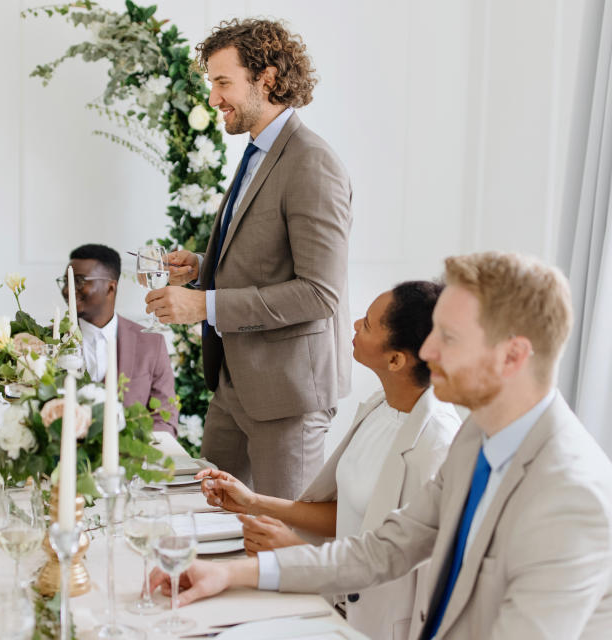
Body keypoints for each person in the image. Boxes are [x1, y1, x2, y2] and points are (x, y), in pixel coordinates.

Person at [152, 252, 612, 639]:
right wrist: (229, 574)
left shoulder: (571, 496)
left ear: (513, 356)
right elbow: (381, 549)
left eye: (447, 338)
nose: (427, 354)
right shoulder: (479, 437)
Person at [145, 19, 352, 499]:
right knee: (208, 518)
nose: (214, 98)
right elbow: (266, 255)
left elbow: (320, 293)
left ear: (268, 79)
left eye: (223, 83)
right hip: (232, 384)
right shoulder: (257, 151)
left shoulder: (311, 162)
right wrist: (202, 265)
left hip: (286, 395)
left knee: (279, 540)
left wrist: (204, 306)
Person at [198, 281, 460, 640]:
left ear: (396, 360)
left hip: (372, 625)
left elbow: (405, 566)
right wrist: (255, 501)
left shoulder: (437, 442)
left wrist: (298, 553)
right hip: (329, 598)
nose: (354, 325)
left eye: (367, 324)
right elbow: (348, 512)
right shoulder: (380, 407)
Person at [60, 244, 178, 433]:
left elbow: (165, 419)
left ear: (110, 287)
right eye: (65, 281)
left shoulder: (151, 344)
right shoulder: (47, 341)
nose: (67, 290)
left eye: (79, 281)